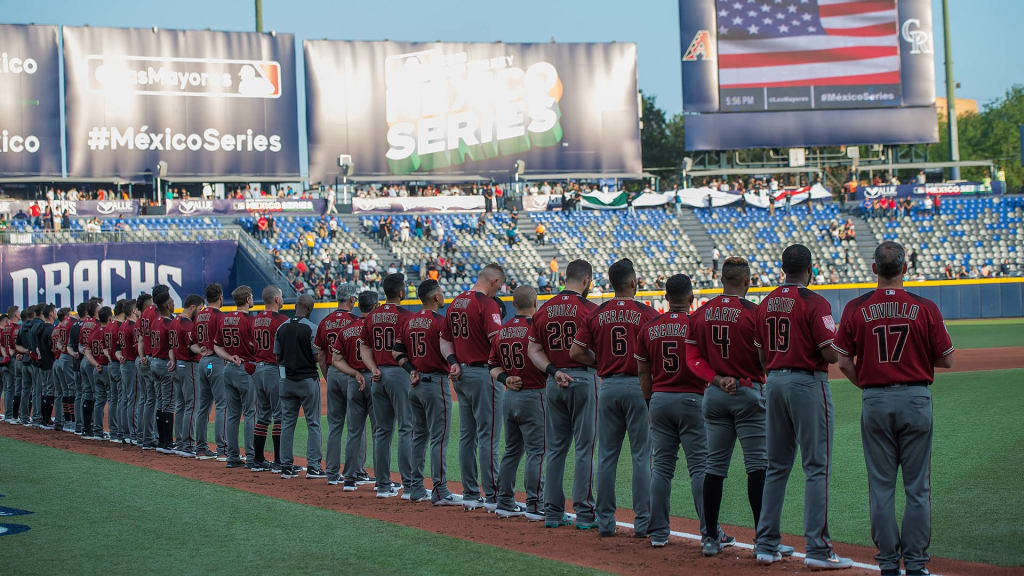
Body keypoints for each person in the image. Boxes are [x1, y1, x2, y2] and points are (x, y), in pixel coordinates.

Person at [834, 241, 953, 576]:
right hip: (916, 399)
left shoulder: (857, 308)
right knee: (917, 487)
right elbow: (947, 358)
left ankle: (888, 563)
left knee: (881, 486)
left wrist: (868, 386)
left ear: (874, 269)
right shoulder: (925, 307)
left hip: (875, 399)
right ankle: (915, 564)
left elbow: (843, 361)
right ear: (905, 269)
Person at [683, 257, 795, 558]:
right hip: (748, 392)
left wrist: (717, 379)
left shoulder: (702, 313)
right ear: (747, 281)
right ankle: (764, 540)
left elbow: (691, 357)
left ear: (722, 280)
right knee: (758, 466)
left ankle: (709, 538)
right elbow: (765, 358)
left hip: (715, 395)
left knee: (714, 467)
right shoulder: (754, 313)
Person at [753, 244, 850, 570]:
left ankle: (765, 543)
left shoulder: (765, 303)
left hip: (775, 382)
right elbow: (831, 354)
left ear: (783, 268)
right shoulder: (814, 301)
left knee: (777, 466)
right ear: (810, 269)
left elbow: (761, 356)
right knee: (816, 467)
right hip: (807, 384)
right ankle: (818, 549)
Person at [639, 274, 730, 549]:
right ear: (691, 298)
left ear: (666, 298)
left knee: (662, 469)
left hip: (660, 399)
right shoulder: (696, 325)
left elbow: (643, 372)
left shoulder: (650, 326)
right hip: (693, 399)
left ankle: (658, 533)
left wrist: (649, 400)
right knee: (700, 468)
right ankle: (710, 532)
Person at [570, 258, 659, 537]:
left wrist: (601, 363)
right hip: (638, 386)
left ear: (611, 284)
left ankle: (606, 522)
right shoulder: (647, 313)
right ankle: (643, 522)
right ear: (633, 282)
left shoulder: (597, 313)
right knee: (641, 456)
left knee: (607, 456)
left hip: (608, 386)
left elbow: (575, 352)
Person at [525, 259, 597, 528]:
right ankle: (585, 513)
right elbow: (596, 351)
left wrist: (553, 371)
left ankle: (553, 512)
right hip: (583, 378)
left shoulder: (543, 310)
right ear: (586, 280)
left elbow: (532, 350)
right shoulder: (589, 308)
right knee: (584, 449)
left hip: (553, 381)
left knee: (555, 450)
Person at [441, 263, 507, 511]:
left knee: (467, 436)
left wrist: (453, 362)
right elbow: (497, 340)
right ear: (493, 281)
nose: (499, 290)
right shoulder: (486, 303)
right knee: (488, 436)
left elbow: (444, 339)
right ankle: (492, 494)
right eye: (499, 285)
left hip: (461, 375)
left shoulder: (456, 301)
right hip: (483, 374)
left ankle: (470, 492)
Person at [392, 279, 460, 505]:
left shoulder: (410, 321)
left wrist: (411, 371)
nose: (443, 295)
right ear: (434, 297)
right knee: (438, 439)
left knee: (418, 437)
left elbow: (397, 353)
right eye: (441, 292)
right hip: (435, 383)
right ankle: (439, 490)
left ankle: (415, 487)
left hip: (416, 382)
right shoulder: (440, 322)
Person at [488, 286, 546, 520]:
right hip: (534, 394)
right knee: (537, 452)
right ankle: (535, 503)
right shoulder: (536, 329)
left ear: (514, 304)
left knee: (512, 450)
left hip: (510, 395)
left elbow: (492, 365)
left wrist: (505, 378)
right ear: (535, 304)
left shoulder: (502, 331)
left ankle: (504, 501)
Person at [358, 273, 413, 498]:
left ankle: (382, 485)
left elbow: (363, 347)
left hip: (378, 375)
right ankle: (409, 485)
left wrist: (372, 369)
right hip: (399, 374)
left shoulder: (372, 316)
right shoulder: (406, 315)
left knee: (382, 432)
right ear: (401, 292)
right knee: (406, 428)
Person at [330, 290, 380, 490]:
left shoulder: (347, 329)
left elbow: (335, 360)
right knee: (380, 432)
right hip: (375, 380)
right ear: (375, 306)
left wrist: (353, 374)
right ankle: (381, 481)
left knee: (354, 432)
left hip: (354, 381)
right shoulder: (376, 328)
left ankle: (349, 478)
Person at [274, 295, 326, 479]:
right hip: (307, 380)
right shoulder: (312, 328)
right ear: (310, 310)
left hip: (286, 380)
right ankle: (313, 467)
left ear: (296, 306)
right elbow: (316, 356)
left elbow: (277, 357)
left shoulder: (281, 327)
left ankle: (286, 466)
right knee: (313, 423)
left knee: (287, 423)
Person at [318, 283, 361, 485]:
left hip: (332, 372)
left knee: (335, 426)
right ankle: (357, 471)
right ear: (351, 299)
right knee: (355, 426)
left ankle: (332, 473)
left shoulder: (325, 321)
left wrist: (328, 375)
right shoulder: (355, 321)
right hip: (351, 372)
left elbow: (320, 354)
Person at [215, 286, 258, 469]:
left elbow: (217, 347)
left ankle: (232, 456)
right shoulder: (250, 320)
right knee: (250, 413)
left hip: (229, 368)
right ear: (248, 299)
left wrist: (229, 357)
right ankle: (252, 455)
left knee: (233, 414)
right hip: (246, 369)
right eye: (252, 296)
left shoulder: (225, 318)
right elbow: (257, 347)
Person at [250, 286, 289, 471]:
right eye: (281, 297)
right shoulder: (281, 320)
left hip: (258, 368)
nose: (282, 299)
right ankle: (279, 461)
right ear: (276, 299)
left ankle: (258, 459)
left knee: (263, 415)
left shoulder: (255, 319)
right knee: (279, 415)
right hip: (274, 368)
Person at [170, 295, 203, 457]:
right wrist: (203, 350)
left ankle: (180, 441)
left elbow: (171, 346)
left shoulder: (174, 320)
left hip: (177, 365)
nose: (200, 311)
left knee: (181, 405)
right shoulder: (188, 324)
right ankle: (188, 444)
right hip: (188, 365)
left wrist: (172, 360)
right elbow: (192, 346)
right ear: (192, 307)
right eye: (199, 308)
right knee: (191, 405)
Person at [148, 293, 176, 453]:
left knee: (160, 401)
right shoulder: (168, 322)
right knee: (168, 402)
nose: (173, 304)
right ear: (166, 305)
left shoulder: (155, 321)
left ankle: (161, 441)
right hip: (164, 362)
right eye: (171, 302)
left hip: (154, 361)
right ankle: (167, 442)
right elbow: (172, 345)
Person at [115, 300, 139, 444]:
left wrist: (119, 356)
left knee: (126, 398)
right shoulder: (131, 326)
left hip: (124, 363)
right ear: (134, 310)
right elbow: (137, 348)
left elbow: (118, 348)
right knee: (133, 399)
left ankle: (124, 432)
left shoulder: (122, 325)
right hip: (130, 364)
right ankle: (133, 433)